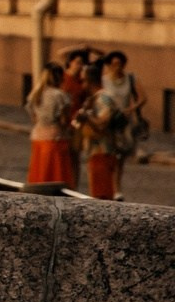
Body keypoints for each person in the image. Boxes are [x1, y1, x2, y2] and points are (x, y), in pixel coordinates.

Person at [82, 51, 142, 200]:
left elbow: (102, 124)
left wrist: (87, 117)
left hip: (103, 147)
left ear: (89, 81)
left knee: (101, 195)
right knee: (98, 192)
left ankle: (117, 190)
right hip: (97, 148)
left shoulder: (104, 97)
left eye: (83, 81)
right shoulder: (97, 94)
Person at [26, 63, 74, 187]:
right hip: (55, 138)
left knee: (40, 175)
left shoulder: (36, 94)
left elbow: (34, 119)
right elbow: (64, 121)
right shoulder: (61, 96)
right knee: (55, 177)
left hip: (38, 137)